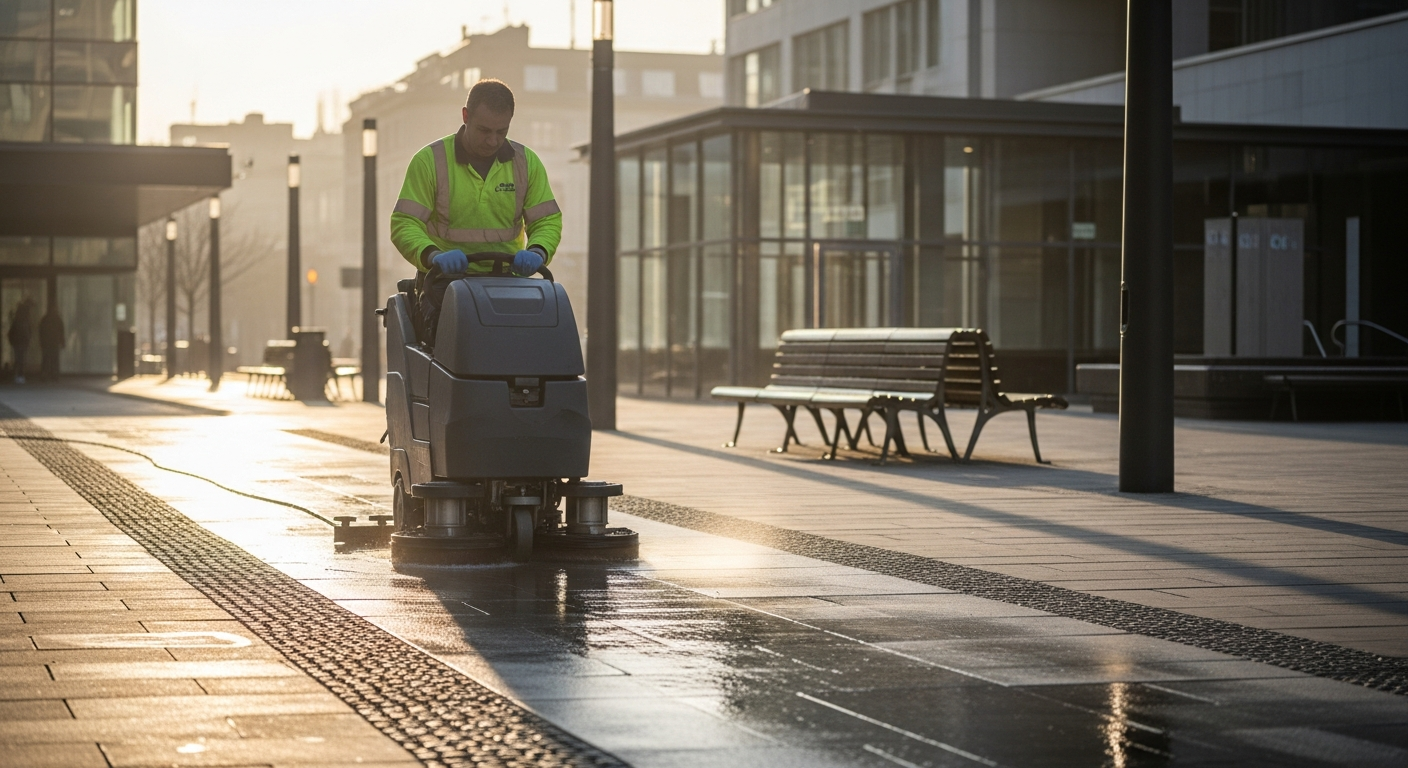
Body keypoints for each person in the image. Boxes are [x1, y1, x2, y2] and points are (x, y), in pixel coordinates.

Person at [390, 79, 561, 280]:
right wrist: (433, 255)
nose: (493, 140)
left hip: (509, 281)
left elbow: (546, 221)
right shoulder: (429, 162)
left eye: (501, 131)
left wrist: (537, 251)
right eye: (484, 130)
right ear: (465, 116)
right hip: (443, 283)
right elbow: (405, 222)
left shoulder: (527, 163)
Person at [7, 297, 34, 384]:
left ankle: (18, 375)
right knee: (21, 360)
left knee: (18, 359)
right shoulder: (25, 322)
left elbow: (11, 332)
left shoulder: (17, 321)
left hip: (17, 343)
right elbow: (28, 332)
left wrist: (12, 341)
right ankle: (20, 375)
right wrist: (28, 340)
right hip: (22, 343)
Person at [39, 306, 64, 382]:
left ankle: (46, 374)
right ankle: (54, 374)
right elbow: (61, 331)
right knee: (54, 359)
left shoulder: (45, 319)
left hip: (47, 343)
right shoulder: (57, 319)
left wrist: (41, 341)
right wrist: (62, 341)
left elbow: (41, 331)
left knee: (47, 359)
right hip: (54, 342)